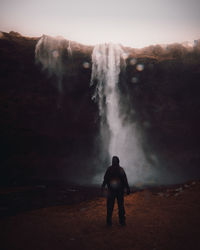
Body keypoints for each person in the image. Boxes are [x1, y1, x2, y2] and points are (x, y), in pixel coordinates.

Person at [101, 156, 130, 226]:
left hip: (111, 191)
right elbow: (125, 180)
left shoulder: (110, 169)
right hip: (119, 191)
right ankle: (122, 221)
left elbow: (105, 179)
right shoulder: (120, 169)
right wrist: (127, 188)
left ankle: (109, 222)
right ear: (118, 162)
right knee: (120, 206)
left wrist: (103, 186)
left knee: (110, 206)